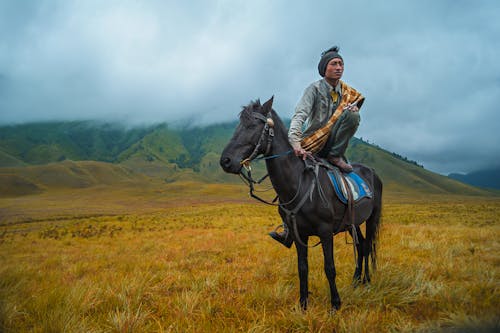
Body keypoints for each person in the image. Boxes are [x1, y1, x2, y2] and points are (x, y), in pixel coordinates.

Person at [269, 46, 365, 248]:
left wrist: (352, 110)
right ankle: (288, 230)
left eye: (341, 64)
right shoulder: (313, 89)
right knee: (290, 183)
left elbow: (349, 120)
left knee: (354, 114)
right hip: (311, 143)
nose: (339, 68)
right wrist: (295, 143)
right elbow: (300, 115)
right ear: (324, 69)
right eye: (334, 64)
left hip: (334, 147)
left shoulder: (348, 92)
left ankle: (348, 215)